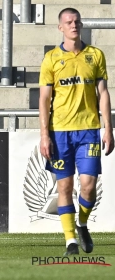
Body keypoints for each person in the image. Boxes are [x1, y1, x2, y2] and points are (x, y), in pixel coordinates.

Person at [39, 7, 114, 256]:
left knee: (88, 186)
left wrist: (108, 128)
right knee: (64, 187)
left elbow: (103, 93)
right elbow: (44, 99)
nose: (74, 25)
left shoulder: (95, 55)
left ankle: (81, 224)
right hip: (60, 132)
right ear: (60, 27)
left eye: (77, 21)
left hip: (89, 130)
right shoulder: (51, 59)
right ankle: (70, 240)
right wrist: (44, 135)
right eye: (69, 22)